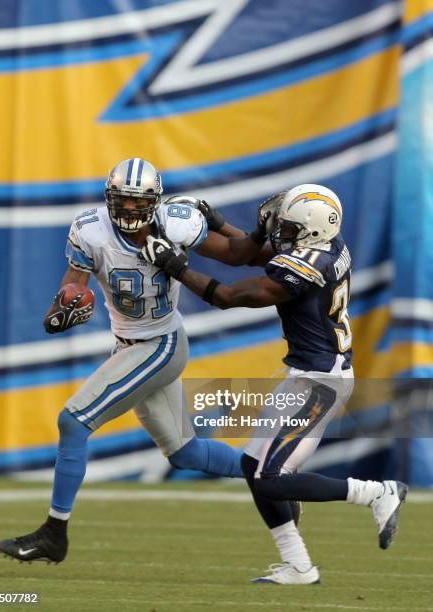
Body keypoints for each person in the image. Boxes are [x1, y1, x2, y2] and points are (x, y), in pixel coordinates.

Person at [0, 157, 272, 564]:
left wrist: (224, 222)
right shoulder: (89, 230)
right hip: (131, 345)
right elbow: (74, 284)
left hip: (160, 344)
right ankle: (276, 479)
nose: (127, 210)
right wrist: (63, 306)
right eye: (121, 202)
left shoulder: (175, 223)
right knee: (186, 455)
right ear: (109, 200)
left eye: (136, 203)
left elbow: (236, 254)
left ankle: (54, 534)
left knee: (73, 422)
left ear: (154, 202)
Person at [140, 183, 409, 585]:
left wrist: (176, 266)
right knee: (254, 467)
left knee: (271, 477)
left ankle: (376, 492)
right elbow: (246, 255)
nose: (279, 228)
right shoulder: (321, 245)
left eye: (288, 224)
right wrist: (220, 224)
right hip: (308, 373)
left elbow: (229, 295)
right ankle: (298, 565)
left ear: (311, 230)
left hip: (320, 381)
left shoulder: (307, 266)